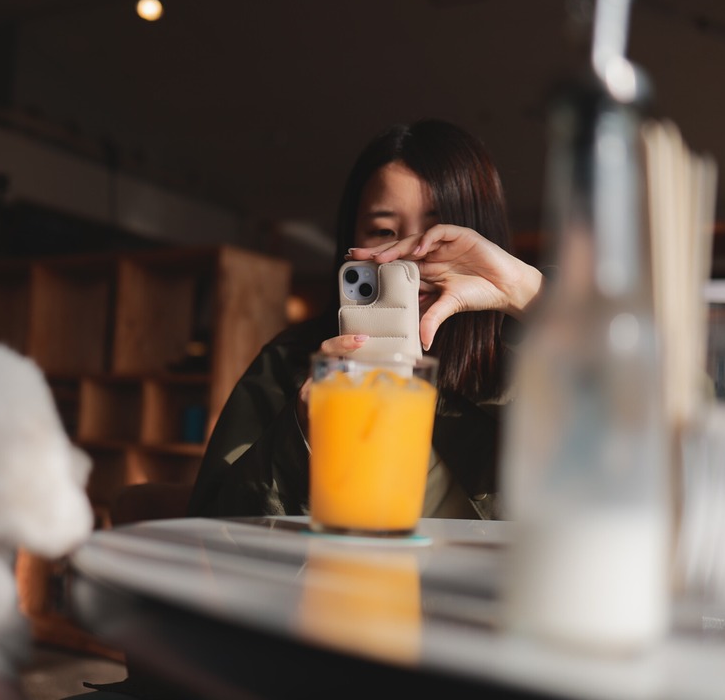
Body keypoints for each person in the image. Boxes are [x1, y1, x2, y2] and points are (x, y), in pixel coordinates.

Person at [186, 118, 544, 521]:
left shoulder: (540, 354)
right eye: (382, 229)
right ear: (350, 238)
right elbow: (212, 524)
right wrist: (299, 437)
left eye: (437, 229)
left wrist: (525, 289)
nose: (408, 252)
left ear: (480, 235)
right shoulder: (290, 362)